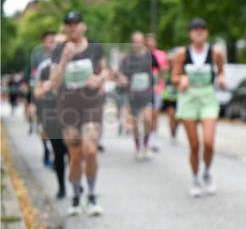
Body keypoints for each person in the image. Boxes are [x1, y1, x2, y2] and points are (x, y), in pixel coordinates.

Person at [50, 11, 109, 216]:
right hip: (68, 108)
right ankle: (76, 195)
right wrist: (65, 59)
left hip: (91, 105)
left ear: (83, 26)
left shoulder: (95, 47)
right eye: (68, 24)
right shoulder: (59, 50)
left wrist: (99, 79)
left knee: (90, 150)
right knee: (75, 156)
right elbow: (53, 82)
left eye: (76, 23)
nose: (72, 27)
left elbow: (105, 70)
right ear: (65, 27)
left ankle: (92, 194)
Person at [172, 18, 225, 197]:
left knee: (208, 142)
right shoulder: (182, 53)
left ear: (206, 32)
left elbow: (221, 70)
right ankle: (195, 178)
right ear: (190, 33)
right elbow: (174, 77)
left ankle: (207, 173)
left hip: (208, 96)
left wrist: (222, 79)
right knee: (194, 145)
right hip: (189, 98)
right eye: (195, 29)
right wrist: (181, 79)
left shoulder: (215, 52)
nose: (199, 32)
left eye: (202, 28)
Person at [34, 33, 68, 198]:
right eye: (56, 43)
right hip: (51, 112)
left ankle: (75, 181)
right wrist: (45, 88)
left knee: (72, 149)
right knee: (59, 151)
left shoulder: (73, 65)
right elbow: (37, 92)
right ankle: (62, 186)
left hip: (70, 112)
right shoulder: (45, 67)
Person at [118, 31, 156, 160]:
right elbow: (121, 74)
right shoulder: (127, 58)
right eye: (135, 41)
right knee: (134, 123)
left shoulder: (149, 56)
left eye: (139, 40)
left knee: (147, 119)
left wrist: (158, 84)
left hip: (147, 93)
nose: (137, 43)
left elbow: (159, 69)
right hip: (133, 94)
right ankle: (138, 147)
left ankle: (146, 145)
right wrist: (122, 78)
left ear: (143, 41)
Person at [146, 32, 169, 151]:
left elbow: (164, 69)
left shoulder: (161, 55)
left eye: (152, 41)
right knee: (147, 115)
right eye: (148, 41)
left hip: (157, 88)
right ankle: (146, 137)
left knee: (155, 114)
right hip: (145, 89)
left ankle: (153, 139)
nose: (150, 43)